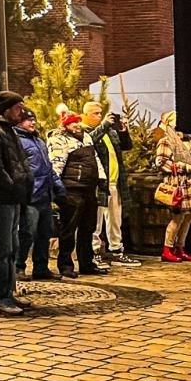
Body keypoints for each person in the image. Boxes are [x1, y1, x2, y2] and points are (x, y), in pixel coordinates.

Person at [0, 91, 32, 317]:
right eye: (18, 108)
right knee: (3, 250)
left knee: (13, 247)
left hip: (13, 197)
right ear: (7, 108)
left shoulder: (7, 129)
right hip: (2, 198)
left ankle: (10, 290)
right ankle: (2, 297)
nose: (22, 112)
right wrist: (11, 185)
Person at [49, 112, 105, 278]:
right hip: (71, 188)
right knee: (69, 228)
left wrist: (101, 177)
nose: (77, 125)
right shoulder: (58, 139)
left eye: (78, 122)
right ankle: (65, 265)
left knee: (88, 227)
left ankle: (87, 263)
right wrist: (57, 186)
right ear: (65, 125)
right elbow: (56, 163)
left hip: (89, 188)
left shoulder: (86, 137)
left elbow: (95, 159)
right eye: (73, 123)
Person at [83, 101, 138, 267]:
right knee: (96, 220)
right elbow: (89, 141)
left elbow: (126, 146)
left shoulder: (109, 131)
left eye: (101, 113)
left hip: (114, 182)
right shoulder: (84, 130)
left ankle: (116, 250)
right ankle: (94, 252)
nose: (100, 116)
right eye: (95, 114)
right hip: (98, 183)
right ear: (86, 115)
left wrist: (123, 131)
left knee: (115, 219)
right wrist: (105, 125)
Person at [15, 108, 64, 281]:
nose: (33, 123)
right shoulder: (17, 141)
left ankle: (41, 267)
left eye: (34, 119)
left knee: (45, 232)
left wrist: (58, 186)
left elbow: (48, 167)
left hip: (44, 195)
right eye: (28, 120)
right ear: (19, 122)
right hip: (30, 196)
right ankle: (18, 266)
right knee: (27, 233)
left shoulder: (38, 141)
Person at [155, 112, 191, 262]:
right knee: (178, 217)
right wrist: (182, 166)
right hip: (179, 183)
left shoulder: (190, 140)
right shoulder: (166, 141)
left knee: (188, 217)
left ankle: (180, 247)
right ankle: (167, 248)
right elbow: (161, 161)